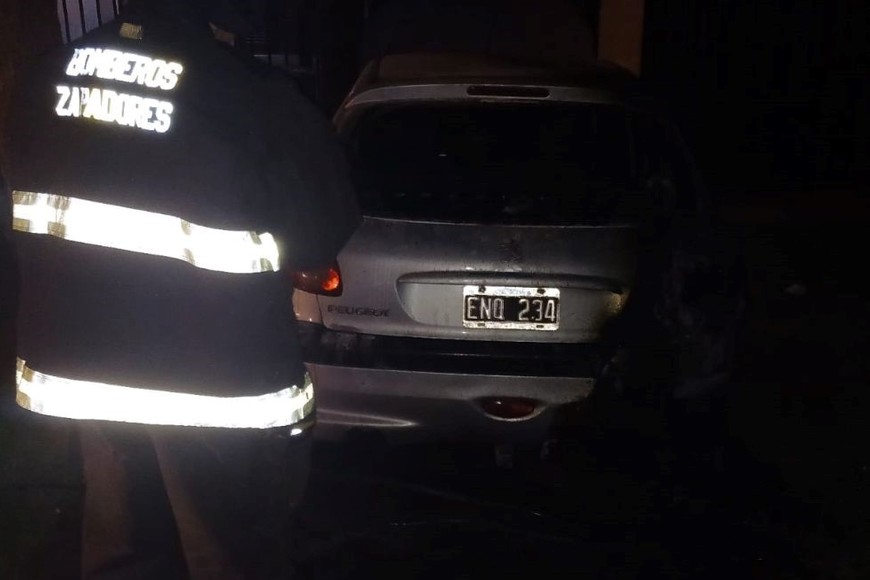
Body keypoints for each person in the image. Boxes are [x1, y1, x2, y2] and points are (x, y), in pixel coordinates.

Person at [1, 0, 360, 577]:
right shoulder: (249, 95)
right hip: (214, 383)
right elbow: (322, 225)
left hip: (82, 372)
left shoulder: (45, 75)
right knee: (228, 552)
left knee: (121, 549)